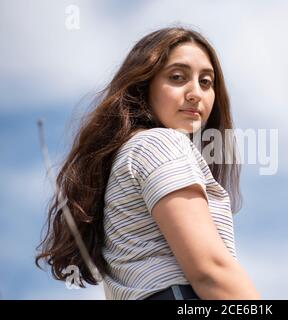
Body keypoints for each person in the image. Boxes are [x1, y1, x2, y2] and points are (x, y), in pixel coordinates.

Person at [35, 25, 261, 300]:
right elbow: (210, 270)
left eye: (206, 82)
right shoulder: (160, 144)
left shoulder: (125, 158)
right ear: (143, 86)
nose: (195, 93)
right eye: (178, 77)